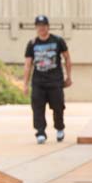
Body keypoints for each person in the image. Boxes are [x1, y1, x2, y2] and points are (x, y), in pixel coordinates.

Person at [23, 15, 71, 144]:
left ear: (48, 27)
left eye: (44, 25)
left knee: (58, 106)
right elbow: (28, 64)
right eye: (39, 26)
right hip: (38, 81)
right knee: (37, 107)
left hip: (55, 80)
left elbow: (67, 58)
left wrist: (68, 76)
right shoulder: (32, 44)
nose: (41, 28)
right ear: (36, 28)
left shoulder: (58, 41)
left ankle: (59, 128)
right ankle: (40, 131)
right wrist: (25, 84)